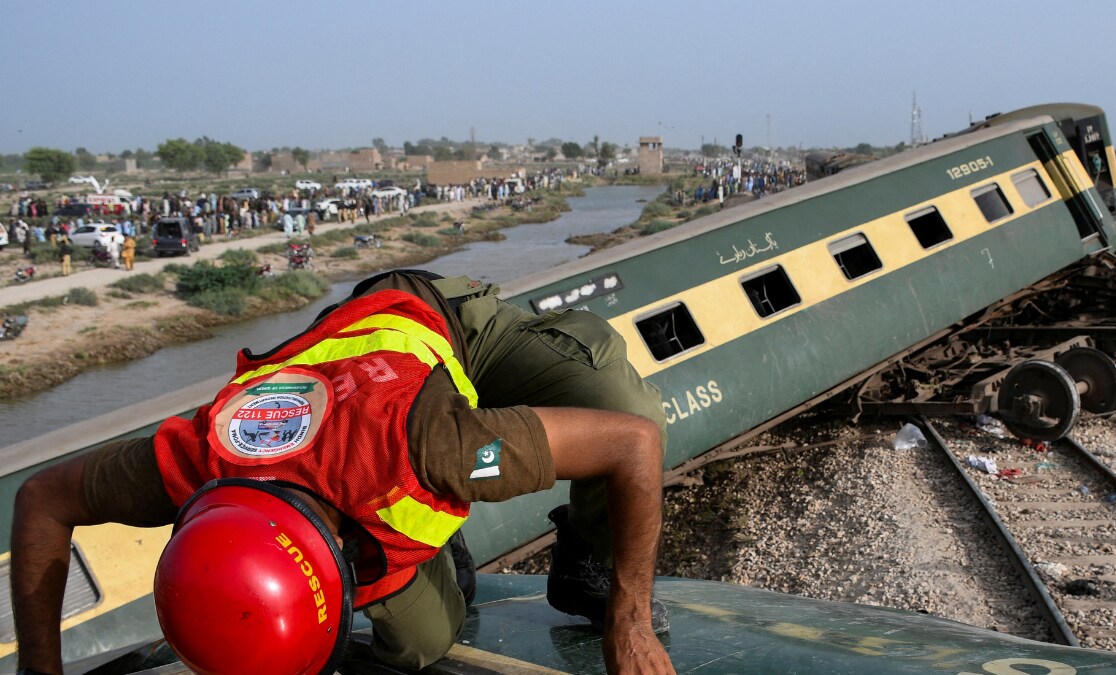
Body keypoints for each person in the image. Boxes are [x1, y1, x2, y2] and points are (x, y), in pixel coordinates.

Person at [11, 270, 675, 675]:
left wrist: (629, 616)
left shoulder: (439, 450)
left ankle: (585, 562)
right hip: (341, 384)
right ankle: (442, 551)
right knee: (422, 644)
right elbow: (41, 499)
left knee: (618, 403)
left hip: (438, 325)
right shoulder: (195, 458)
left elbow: (633, 446)